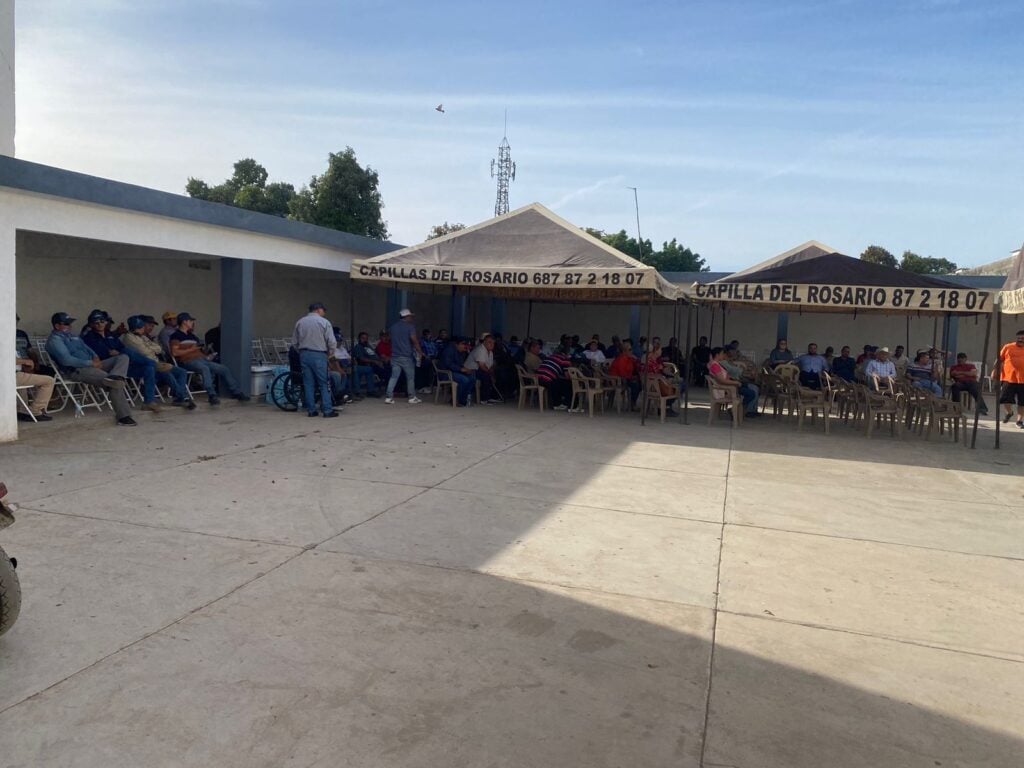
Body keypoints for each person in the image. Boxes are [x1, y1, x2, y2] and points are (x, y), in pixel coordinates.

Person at [45, 311, 137, 426]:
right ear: (57, 326)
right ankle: (124, 417)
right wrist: (90, 363)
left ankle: (116, 376)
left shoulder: (73, 336)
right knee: (113, 383)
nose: (70, 326)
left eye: (70, 323)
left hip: (93, 364)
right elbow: (67, 360)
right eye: (66, 324)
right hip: (78, 370)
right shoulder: (55, 341)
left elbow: (87, 348)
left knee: (123, 357)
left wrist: (95, 357)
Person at [82, 309, 163, 412]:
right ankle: (156, 365)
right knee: (127, 352)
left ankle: (149, 402)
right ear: (91, 324)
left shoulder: (110, 335)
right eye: (96, 322)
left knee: (149, 368)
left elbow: (120, 348)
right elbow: (102, 354)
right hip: (106, 367)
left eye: (102, 321)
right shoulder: (89, 337)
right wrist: (118, 353)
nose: (99, 324)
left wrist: (118, 352)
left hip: (122, 367)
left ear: (106, 322)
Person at [170, 313, 249, 405]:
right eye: (190, 321)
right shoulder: (176, 336)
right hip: (188, 361)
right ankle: (212, 394)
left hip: (202, 359)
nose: (192, 323)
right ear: (184, 322)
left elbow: (199, 349)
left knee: (223, 368)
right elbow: (175, 353)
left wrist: (206, 351)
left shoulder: (192, 335)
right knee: (205, 369)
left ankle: (236, 392)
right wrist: (190, 349)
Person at [121, 315, 195, 409]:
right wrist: (151, 349)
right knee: (165, 372)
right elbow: (144, 352)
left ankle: (179, 398)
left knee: (181, 372)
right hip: (141, 365)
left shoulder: (143, 337)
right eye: (142, 326)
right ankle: (181, 397)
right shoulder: (129, 338)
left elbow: (159, 348)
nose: (144, 328)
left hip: (157, 363)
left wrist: (150, 348)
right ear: (137, 327)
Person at [292, 302, 338, 418]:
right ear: (318, 310)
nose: (324, 313)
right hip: (319, 354)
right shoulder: (324, 322)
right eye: (323, 310)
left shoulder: (300, 322)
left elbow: (294, 342)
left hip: (304, 354)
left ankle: (311, 410)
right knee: (324, 383)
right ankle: (327, 410)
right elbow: (331, 341)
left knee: (308, 383)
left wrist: (301, 352)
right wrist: (331, 352)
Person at [385, 309, 424, 405]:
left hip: (395, 356)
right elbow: (414, 340)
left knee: (394, 377)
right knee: (410, 378)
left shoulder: (393, 327)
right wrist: (420, 351)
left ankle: (388, 397)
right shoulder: (410, 327)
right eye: (410, 316)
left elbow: (389, 339)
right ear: (406, 317)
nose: (411, 318)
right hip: (406, 356)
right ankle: (412, 397)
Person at [708, 346, 758, 418]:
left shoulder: (716, 364)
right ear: (717, 355)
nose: (724, 355)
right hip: (727, 388)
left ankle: (740, 410)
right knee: (751, 393)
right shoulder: (715, 365)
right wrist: (735, 383)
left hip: (730, 386)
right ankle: (736, 409)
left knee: (750, 387)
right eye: (722, 354)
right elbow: (722, 380)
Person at [994, 329, 1024, 429]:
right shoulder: (1008, 347)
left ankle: (1019, 421)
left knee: (1022, 402)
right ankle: (1010, 412)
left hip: (1023, 380)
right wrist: (995, 370)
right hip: (1008, 378)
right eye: (1019, 338)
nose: (1020, 340)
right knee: (1005, 399)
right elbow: (999, 359)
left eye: (1022, 338)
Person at [15, 349, 55, 422]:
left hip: (17, 374)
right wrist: (25, 361)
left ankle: (22, 411)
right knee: (49, 381)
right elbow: (6, 359)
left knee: (22, 384)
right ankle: (36, 410)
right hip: (12, 375)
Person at [464, 334, 500, 403]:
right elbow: (482, 366)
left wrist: (492, 374)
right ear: (484, 342)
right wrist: (490, 374)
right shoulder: (480, 350)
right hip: (471, 370)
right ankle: (484, 399)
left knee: (497, 374)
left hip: (479, 370)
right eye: (489, 342)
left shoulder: (490, 352)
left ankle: (491, 396)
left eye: (493, 343)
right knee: (485, 376)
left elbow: (490, 366)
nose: (492, 344)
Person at [440, 337, 475, 406]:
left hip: (456, 372)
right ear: (456, 344)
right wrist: (461, 369)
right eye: (463, 344)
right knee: (464, 380)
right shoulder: (449, 350)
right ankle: (455, 400)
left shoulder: (461, 352)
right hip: (446, 373)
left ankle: (463, 400)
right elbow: (448, 364)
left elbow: (461, 364)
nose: (464, 346)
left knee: (472, 378)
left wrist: (466, 369)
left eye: (465, 344)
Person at [609, 340, 641, 406]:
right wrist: (632, 377)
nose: (632, 351)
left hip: (626, 378)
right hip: (618, 380)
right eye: (630, 350)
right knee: (635, 385)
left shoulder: (630, 358)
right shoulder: (622, 359)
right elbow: (622, 373)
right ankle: (632, 404)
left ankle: (632, 402)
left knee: (640, 384)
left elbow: (636, 368)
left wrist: (636, 360)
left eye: (631, 349)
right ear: (624, 351)